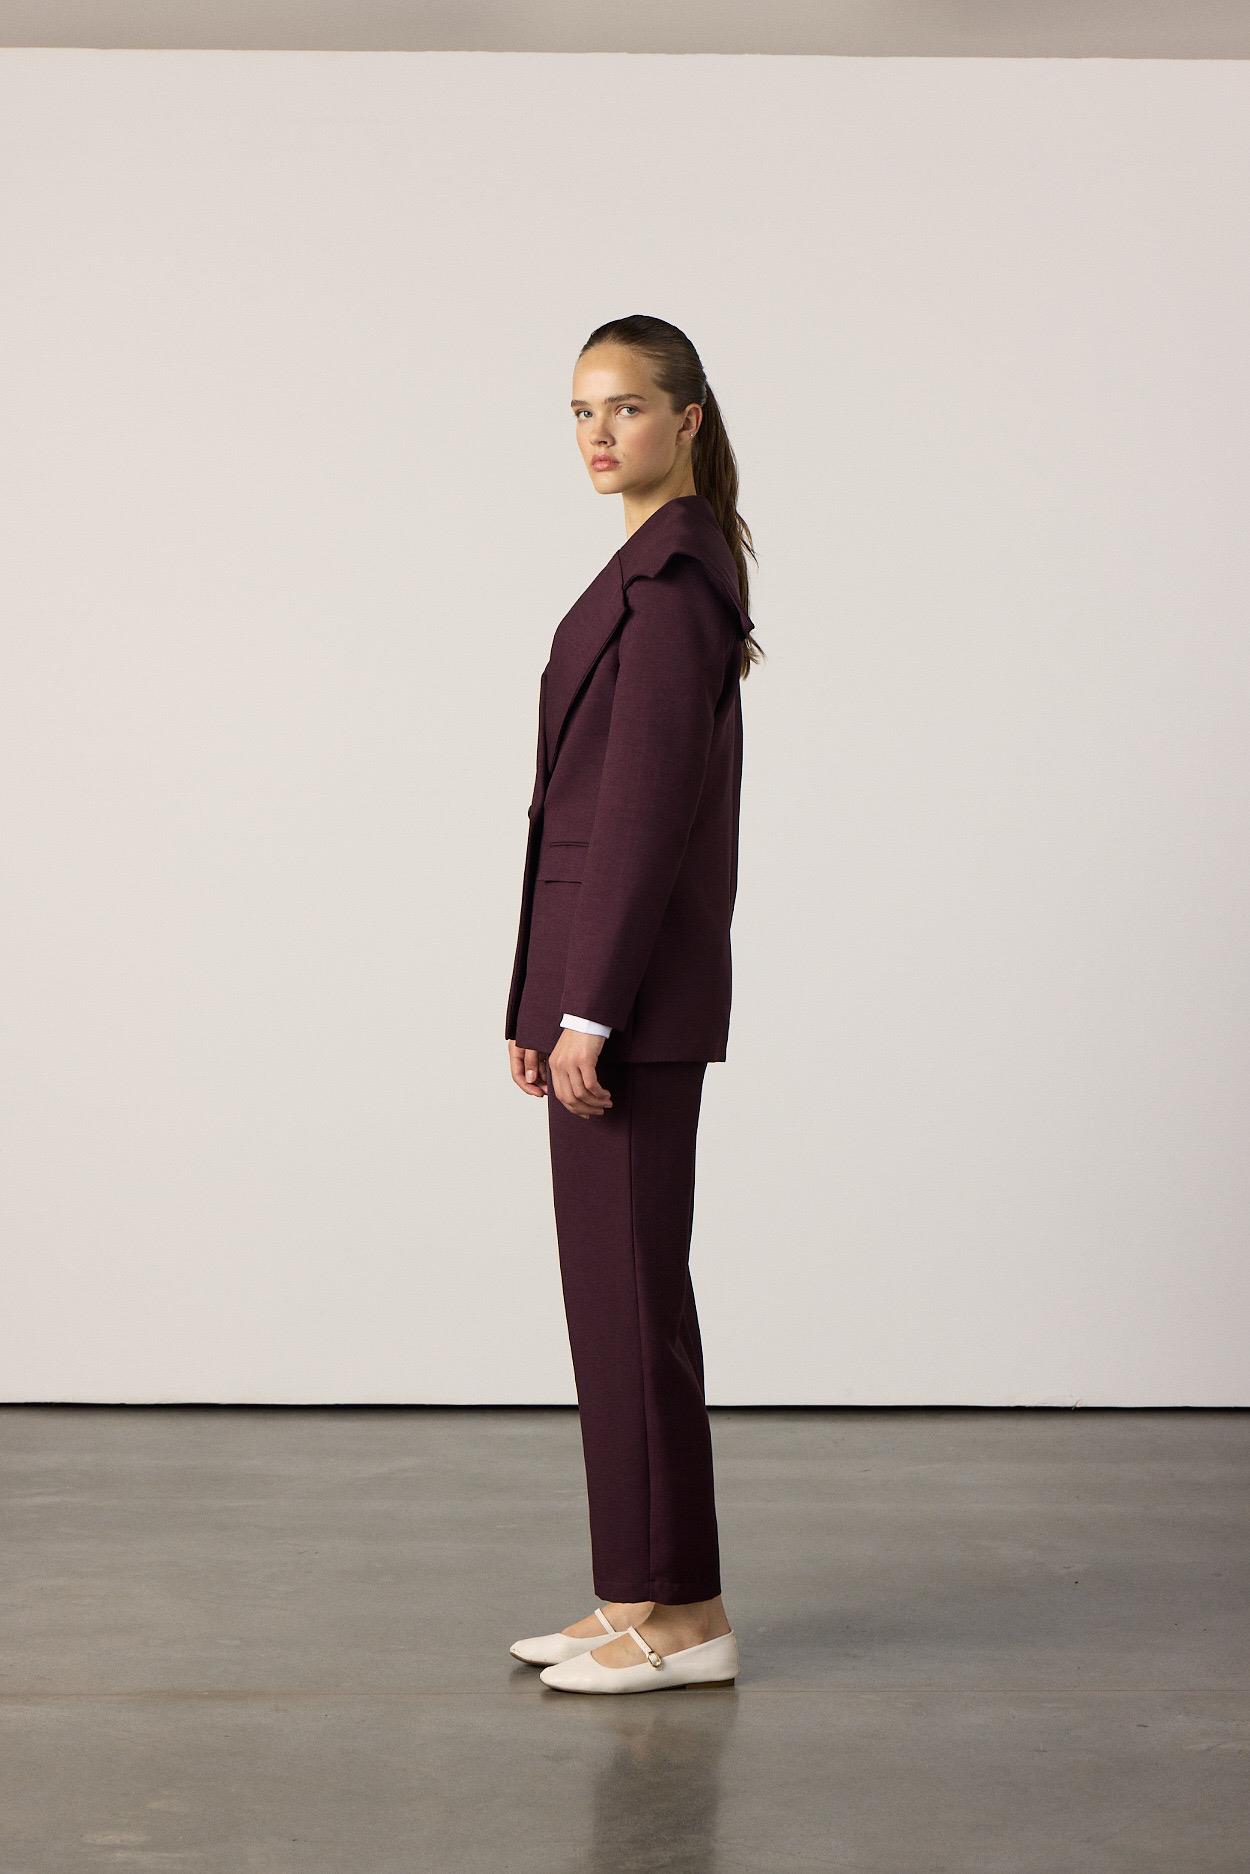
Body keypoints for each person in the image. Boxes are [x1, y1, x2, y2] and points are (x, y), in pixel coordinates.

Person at [504, 314, 763, 1694]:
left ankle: (672, 1614)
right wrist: (537, 997)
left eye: (626, 407)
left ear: (687, 420)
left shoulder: (670, 582)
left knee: (630, 1296)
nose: (599, 434)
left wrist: (588, 1011)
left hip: (633, 1007)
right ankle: (656, 1599)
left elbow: (645, 819)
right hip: (600, 995)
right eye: (580, 410)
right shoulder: (651, 569)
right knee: (619, 1300)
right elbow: (577, 809)